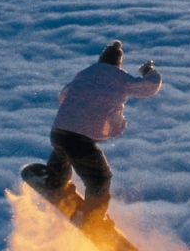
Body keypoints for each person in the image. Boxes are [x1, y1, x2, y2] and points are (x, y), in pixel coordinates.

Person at [45, 40, 162, 225]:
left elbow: (64, 95)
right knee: (100, 178)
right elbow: (150, 87)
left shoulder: (85, 74)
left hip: (58, 132)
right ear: (117, 63)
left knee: (63, 154)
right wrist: (147, 71)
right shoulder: (120, 79)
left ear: (101, 59)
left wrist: (75, 112)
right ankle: (91, 219)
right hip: (80, 140)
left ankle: (54, 183)